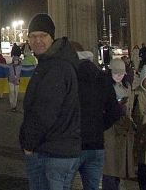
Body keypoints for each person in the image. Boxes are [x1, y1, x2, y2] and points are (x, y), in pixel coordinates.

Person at [19, 13, 81, 190]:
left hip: (51, 152)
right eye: (33, 36)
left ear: (52, 38)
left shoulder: (55, 67)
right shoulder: (55, 63)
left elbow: (45, 112)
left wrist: (28, 144)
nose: (37, 40)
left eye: (43, 36)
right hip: (61, 149)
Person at [71, 41, 121, 190]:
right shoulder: (102, 77)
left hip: (72, 144)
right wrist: (99, 125)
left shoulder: (68, 76)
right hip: (96, 144)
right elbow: (115, 112)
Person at [103, 58, 134, 190]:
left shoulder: (127, 86)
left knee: (120, 166)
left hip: (124, 128)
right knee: (110, 166)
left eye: (121, 73)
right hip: (110, 128)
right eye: (116, 73)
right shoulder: (104, 86)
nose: (119, 76)